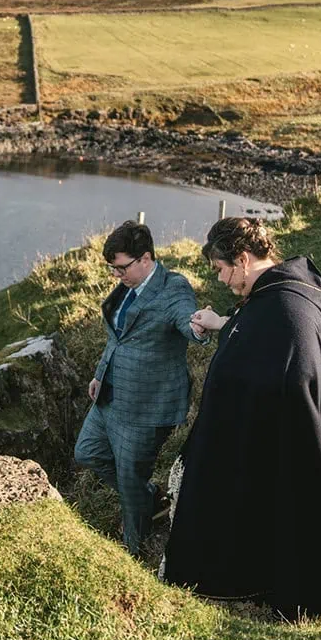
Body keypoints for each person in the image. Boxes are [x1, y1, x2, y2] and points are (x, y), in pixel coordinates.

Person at [162, 216, 321, 616]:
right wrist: (223, 324)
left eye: (222, 270)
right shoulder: (276, 294)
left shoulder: (284, 304)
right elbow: (258, 336)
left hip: (283, 434)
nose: (222, 281)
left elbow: (290, 370)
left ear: (243, 259)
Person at [74, 220, 205, 557]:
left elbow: (188, 323)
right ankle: (151, 499)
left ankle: (134, 549)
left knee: (130, 482)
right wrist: (99, 373)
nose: (118, 276)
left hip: (146, 406)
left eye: (121, 268)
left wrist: (201, 326)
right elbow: (116, 337)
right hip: (109, 395)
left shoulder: (173, 288)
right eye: (114, 270)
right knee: (86, 453)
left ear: (145, 258)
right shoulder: (127, 287)